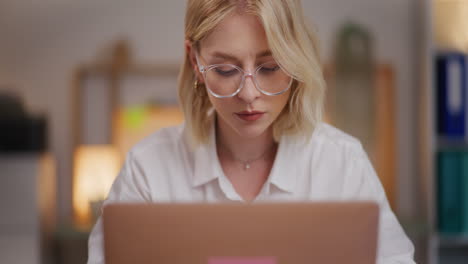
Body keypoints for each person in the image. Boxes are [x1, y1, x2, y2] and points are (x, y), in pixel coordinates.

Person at [87, 0, 415, 263]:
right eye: (225, 69)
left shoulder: (341, 162)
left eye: (270, 68)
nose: (248, 93)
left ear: (296, 60)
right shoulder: (148, 169)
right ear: (194, 62)